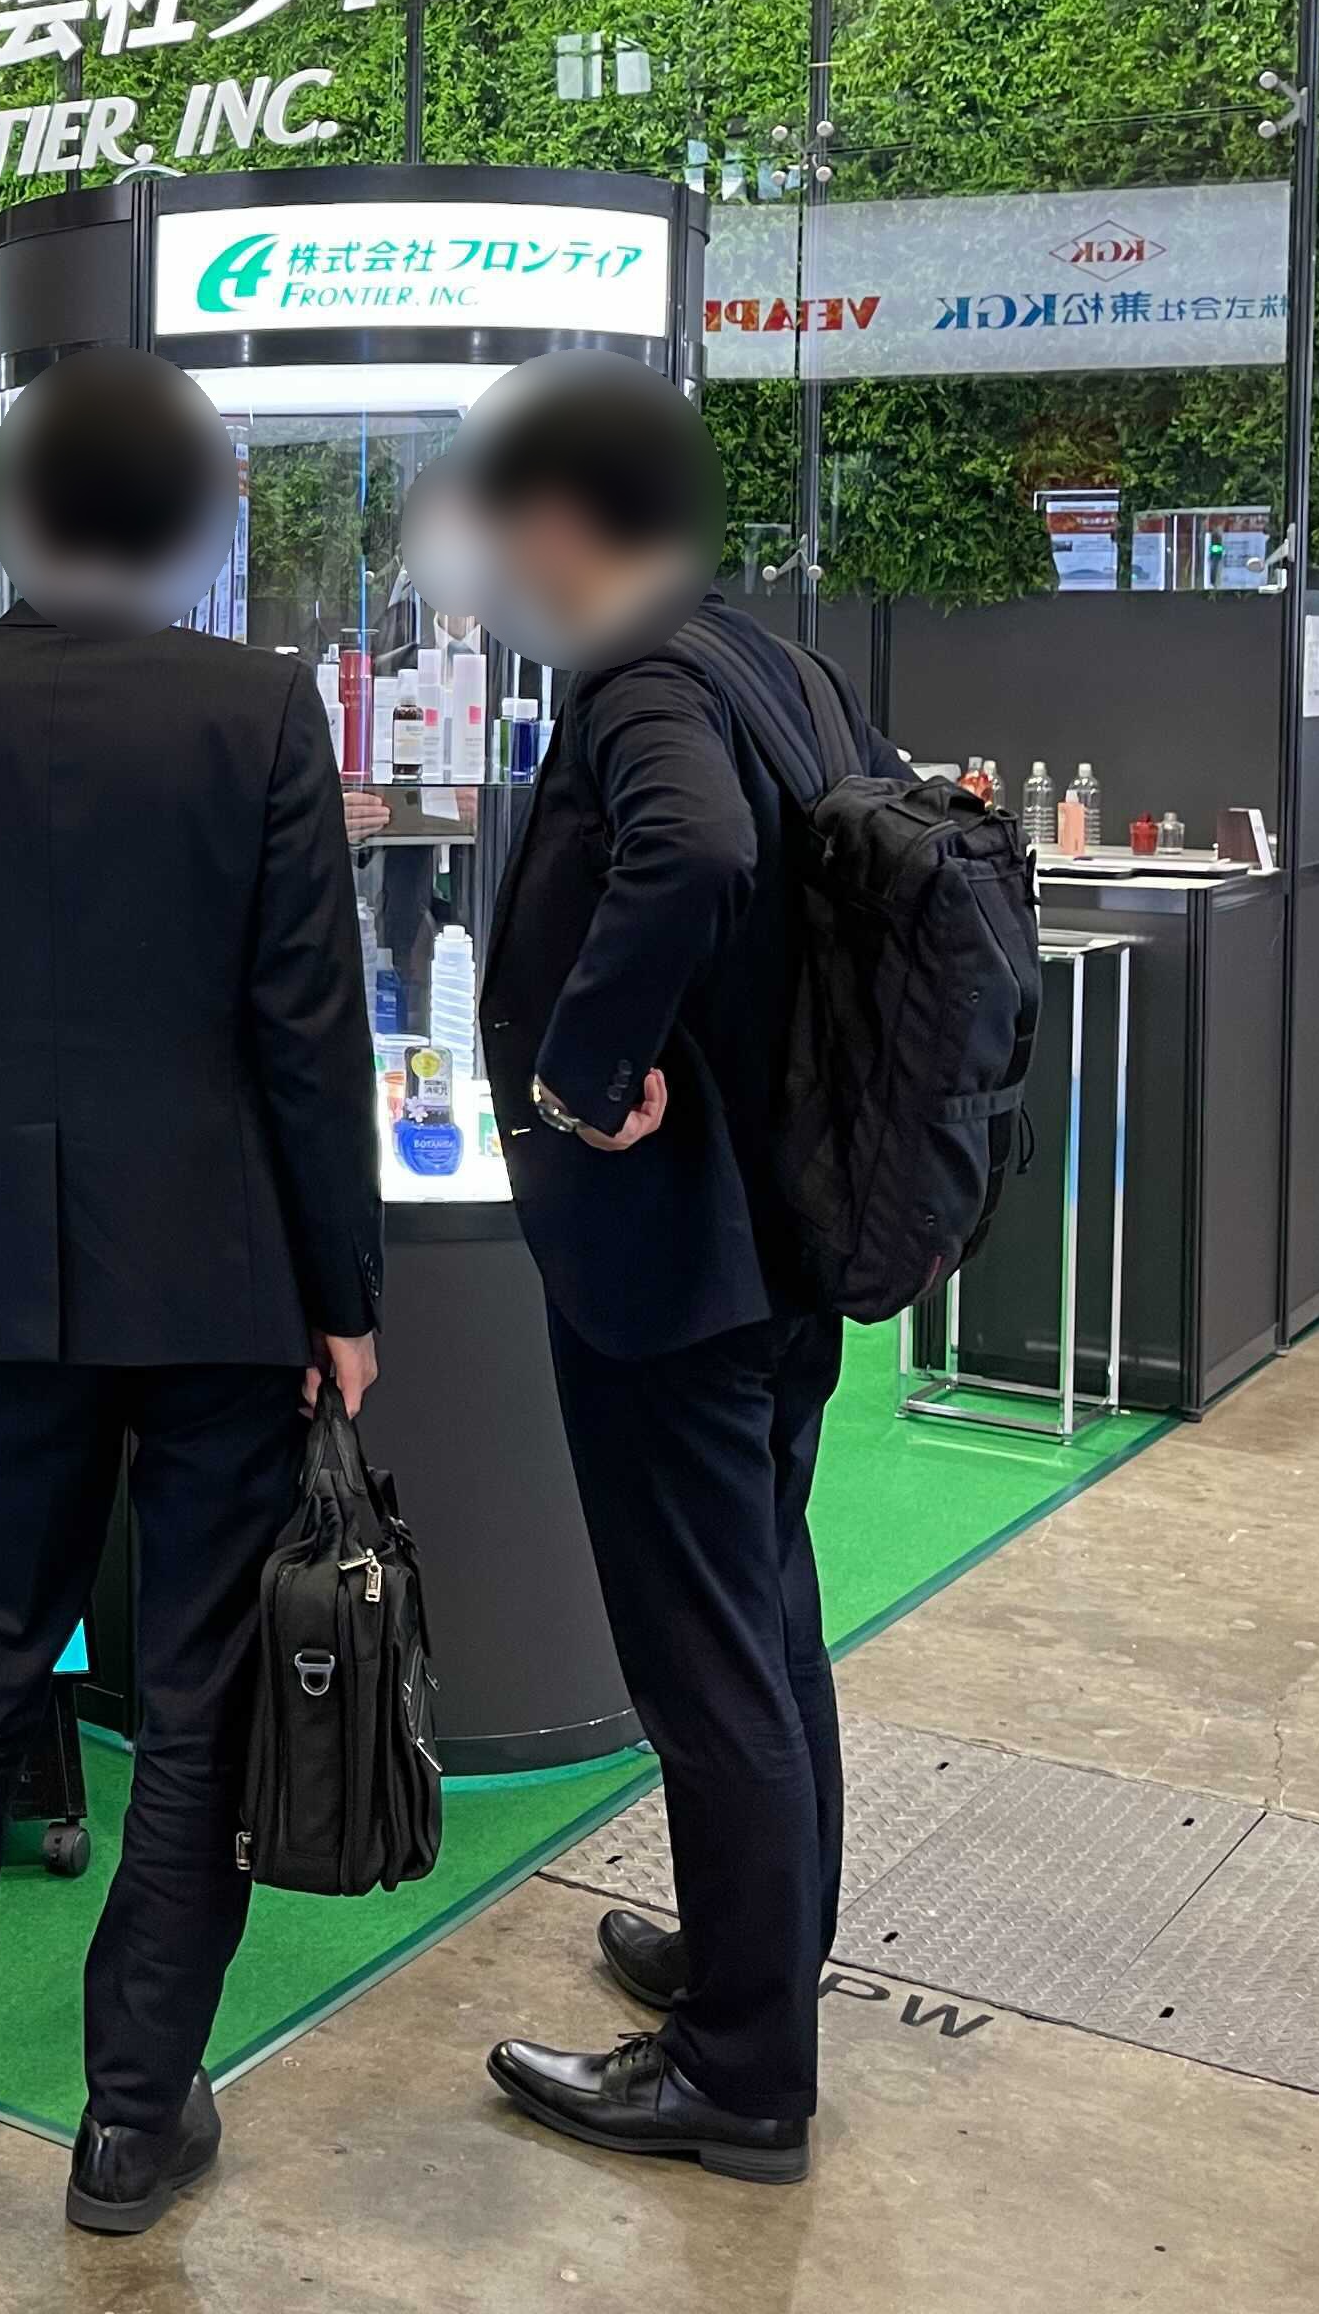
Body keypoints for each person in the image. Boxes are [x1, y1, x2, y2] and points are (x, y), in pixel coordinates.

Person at [0, 349, 382, 2239]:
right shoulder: (259, 708)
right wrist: (344, 1290)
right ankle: (131, 2120)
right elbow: (307, 1028)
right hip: (223, 1260)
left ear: (19, 504)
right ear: (191, 519)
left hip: (5, 1238)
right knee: (200, 1683)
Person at [451, 354, 901, 2190]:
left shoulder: (641, 678)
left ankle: (736, 2069)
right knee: (767, 1616)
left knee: (705, 1652)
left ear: (569, 520)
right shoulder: (774, 663)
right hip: (782, 1228)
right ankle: (758, 1958)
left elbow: (696, 852)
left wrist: (579, 1063)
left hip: (677, 1256)